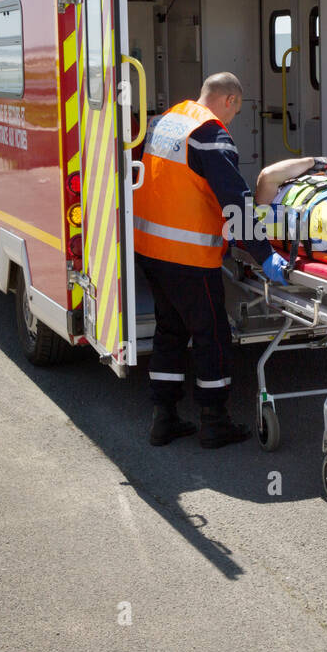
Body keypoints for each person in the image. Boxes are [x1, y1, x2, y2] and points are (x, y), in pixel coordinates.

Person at [133, 72, 289, 449]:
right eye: (236, 111)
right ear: (230, 101)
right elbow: (236, 201)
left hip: (151, 250)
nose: (232, 121)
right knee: (213, 334)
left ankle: (163, 417)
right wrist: (265, 255)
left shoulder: (166, 120)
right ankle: (214, 421)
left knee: (171, 329)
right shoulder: (211, 134)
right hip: (188, 256)